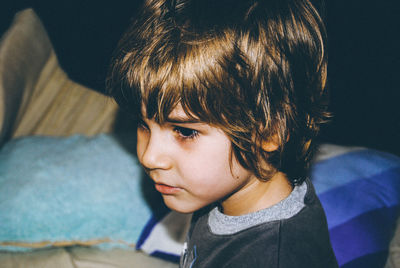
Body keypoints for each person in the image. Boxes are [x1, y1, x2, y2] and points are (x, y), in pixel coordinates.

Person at [107, 0, 338, 267]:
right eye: (143, 124)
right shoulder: (221, 187)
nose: (149, 157)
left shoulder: (273, 257)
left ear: (270, 131)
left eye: (184, 131)